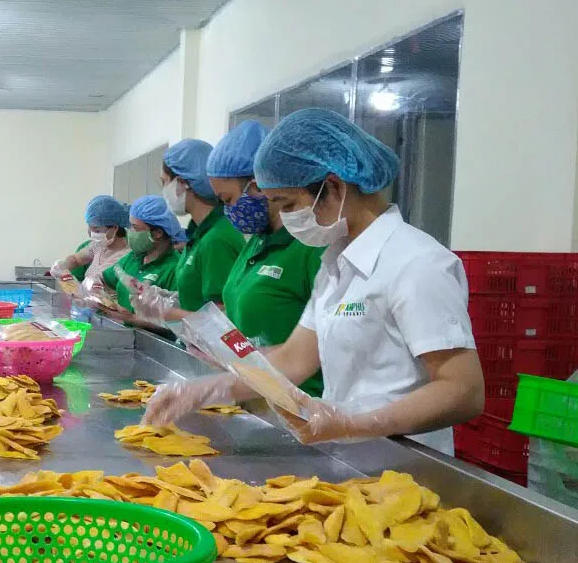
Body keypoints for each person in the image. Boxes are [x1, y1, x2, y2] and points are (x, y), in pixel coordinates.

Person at [144, 108, 483, 454]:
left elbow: (463, 391)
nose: (285, 218)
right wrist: (207, 389)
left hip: (408, 464)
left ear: (333, 187)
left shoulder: (416, 263)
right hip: (348, 457)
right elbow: (293, 359)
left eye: (289, 204)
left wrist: (353, 423)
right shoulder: (336, 263)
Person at [207, 120, 325, 397]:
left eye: (228, 200)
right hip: (257, 394)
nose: (228, 211)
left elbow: (325, 343)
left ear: (257, 186)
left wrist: (244, 364)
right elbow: (242, 322)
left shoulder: (312, 245)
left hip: (304, 401)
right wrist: (213, 343)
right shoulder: (258, 241)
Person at [161, 139, 245, 312]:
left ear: (182, 183)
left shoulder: (217, 238)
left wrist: (166, 313)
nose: (164, 190)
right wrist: (169, 300)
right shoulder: (199, 234)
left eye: (165, 182)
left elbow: (220, 316)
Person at [97, 195, 187, 321]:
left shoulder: (175, 268)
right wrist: (94, 287)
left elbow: (177, 323)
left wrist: (131, 318)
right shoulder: (134, 257)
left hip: (149, 334)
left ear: (158, 233)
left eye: (135, 228)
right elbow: (102, 278)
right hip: (125, 330)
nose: (130, 232)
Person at [49, 195, 131, 291]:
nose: (90, 234)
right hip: (88, 299)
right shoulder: (97, 246)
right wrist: (63, 265)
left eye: (96, 230)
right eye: (90, 228)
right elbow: (76, 259)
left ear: (114, 228)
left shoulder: (127, 257)